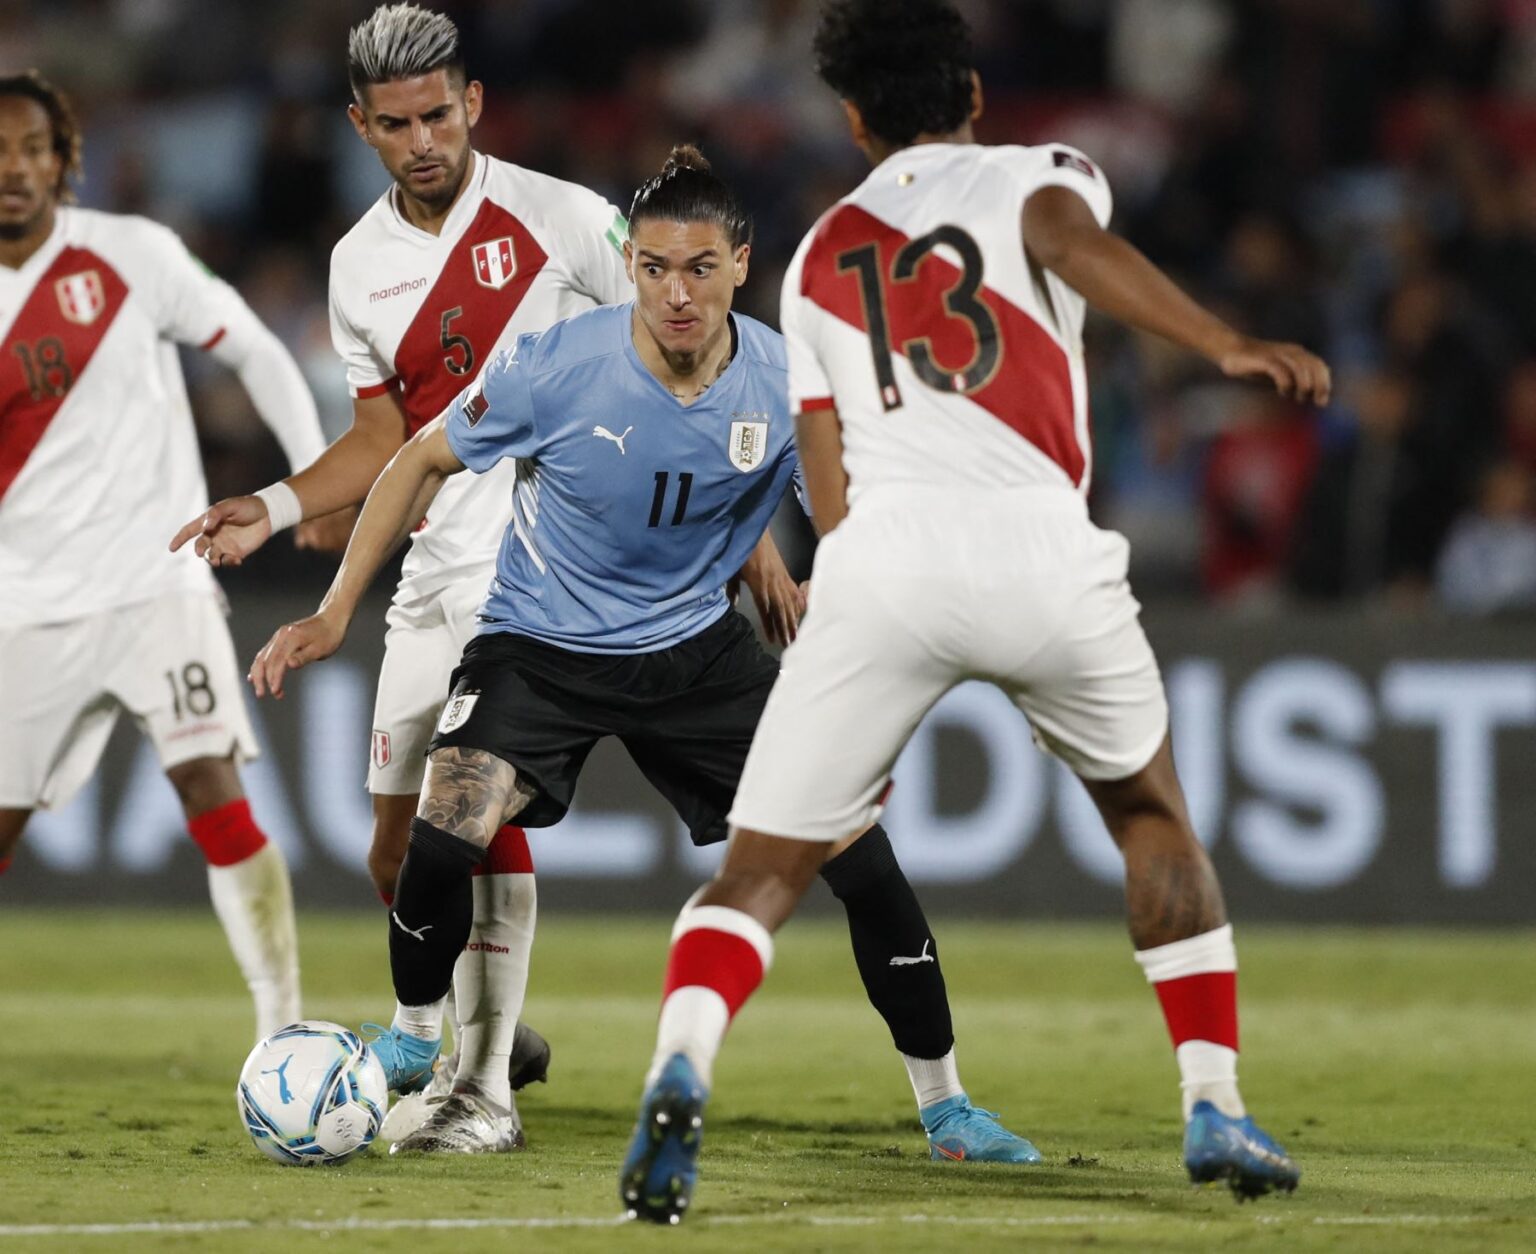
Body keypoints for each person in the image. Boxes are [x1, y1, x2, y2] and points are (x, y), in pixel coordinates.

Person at [619, 0, 1334, 1224]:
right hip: (1042, 548)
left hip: (885, 560)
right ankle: (1212, 1099)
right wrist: (1217, 341)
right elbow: (1066, 240)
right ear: (975, 93)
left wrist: (869, 644)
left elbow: (826, 481)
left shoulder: (817, 255)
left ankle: (678, 1072)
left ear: (850, 116)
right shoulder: (1039, 174)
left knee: (763, 873)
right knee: (1151, 817)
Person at [249, 144, 1035, 1165]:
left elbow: (853, 520)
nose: (677, 292)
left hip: (696, 654)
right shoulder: (556, 365)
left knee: (862, 857)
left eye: (700, 268)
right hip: (537, 643)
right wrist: (336, 608)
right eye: (656, 268)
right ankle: (413, 1045)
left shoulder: (787, 384)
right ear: (632, 267)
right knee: (441, 835)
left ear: (741, 264)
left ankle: (947, 1107)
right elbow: (417, 459)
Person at [169, 2, 676, 1133]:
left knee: (472, 812)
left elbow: (677, 325)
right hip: (432, 570)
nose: (423, 141)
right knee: (396, 849)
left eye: (438, 115)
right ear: (361, 125)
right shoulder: (359, 266)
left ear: (473, 105)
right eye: (395, 124)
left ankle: (473, 1083)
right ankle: (483, 1025)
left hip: (545, 572)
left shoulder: (562, 218)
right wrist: (279, 501)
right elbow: (383, 438)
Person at [0, 71, 323, 1040]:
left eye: (30, 150)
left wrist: (309, 481)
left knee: (209, 784)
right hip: (26, 605)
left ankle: (282, 1030)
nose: (12, 171)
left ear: (63, 161)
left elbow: (259, 350)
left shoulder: (133, 254)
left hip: (156, 586)